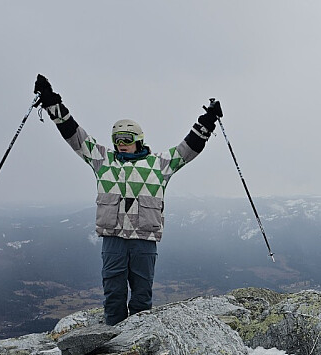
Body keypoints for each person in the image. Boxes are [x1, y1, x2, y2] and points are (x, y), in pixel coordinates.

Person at [33, 74, 222, 326]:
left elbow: (187, 149)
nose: (121, 144)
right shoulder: (103, 161)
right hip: (113, 240)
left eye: (127, 140)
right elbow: (75, 136)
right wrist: (51, 103)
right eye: (117, 140)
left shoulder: (159, 165)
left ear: (138, 140)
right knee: (113, 295)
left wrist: (208, 121)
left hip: (144, 242)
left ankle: (139, 345)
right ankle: (114, 344)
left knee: (142, 298)